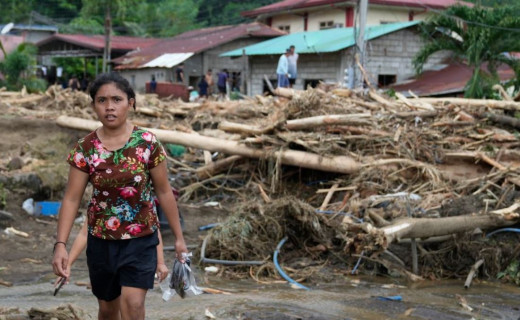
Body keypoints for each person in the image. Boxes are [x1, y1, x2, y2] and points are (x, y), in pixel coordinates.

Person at [52, 72, 187, 320]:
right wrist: (60, 245)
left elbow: (164, 191)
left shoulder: (147, 143)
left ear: (131, 103)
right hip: (101, 241)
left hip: (141, 240)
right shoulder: (85, 148)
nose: (109, 107)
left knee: (133, 304)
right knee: (107, 309)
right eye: (102, 101)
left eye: (117, 99)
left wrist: (179, 238)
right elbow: (71, 199)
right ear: (93, 105)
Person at [54, 219, 169, 288]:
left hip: (136, 254)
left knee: (133, 303)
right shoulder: (101, 201)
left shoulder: (141, 196)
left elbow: (154, 228)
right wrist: (68, 265)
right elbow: (84, 234)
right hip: (106, 256)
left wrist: (160, 262)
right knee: (108, 309)